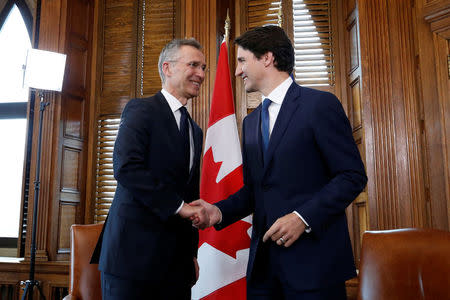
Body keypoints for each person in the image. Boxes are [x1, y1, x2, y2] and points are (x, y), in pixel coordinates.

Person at [192, 26, 367, 299]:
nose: (238, 72)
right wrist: (217, 211)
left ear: (267, 58)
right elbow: (255, 190)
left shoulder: (319, 105)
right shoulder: (250, 123)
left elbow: (352, 175)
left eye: (241, 61)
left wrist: (303, 217)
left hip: (314, 267)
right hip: (264, 271)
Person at [91, 38, 209, 300]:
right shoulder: (140, 110)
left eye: (203, 67)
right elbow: (126, 168)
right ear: (167, 68)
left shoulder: (195, 130)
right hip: (132, 261)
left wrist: (191, 254)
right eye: (193, 65)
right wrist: (180, 206)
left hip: (177, 267)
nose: (201, 74)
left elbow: (189, 192)